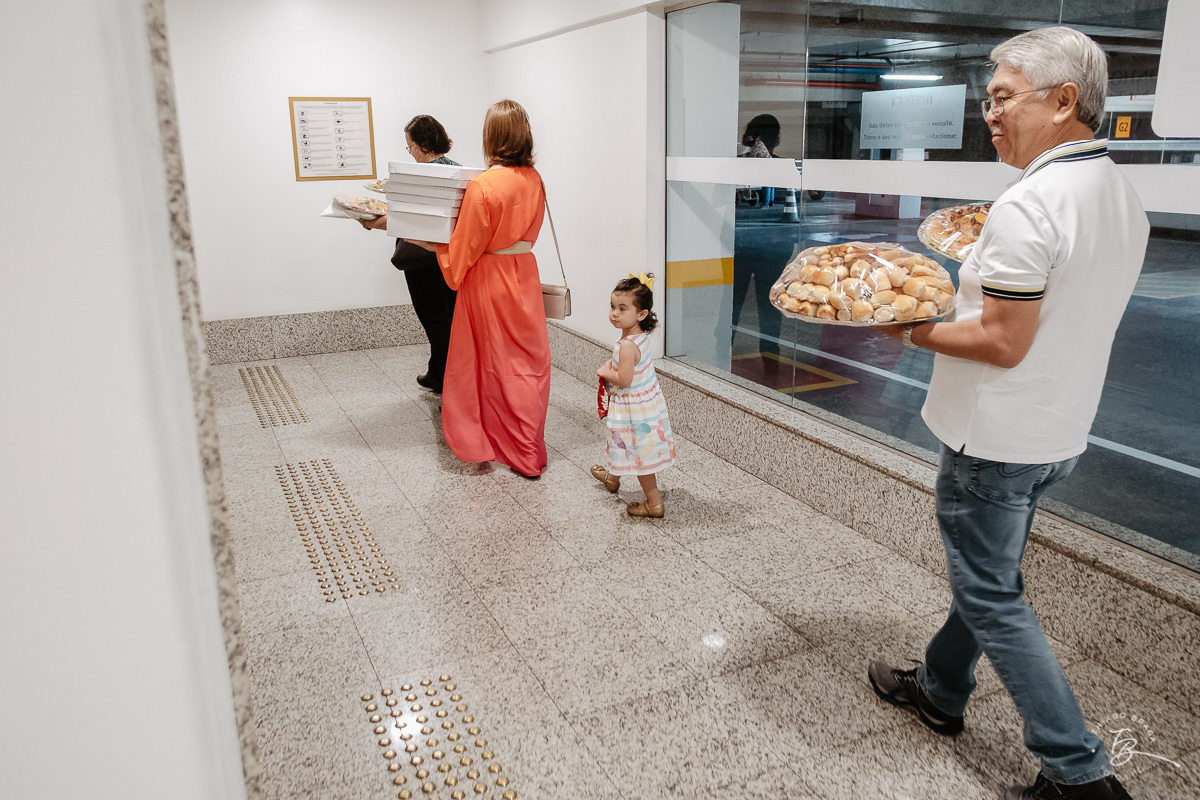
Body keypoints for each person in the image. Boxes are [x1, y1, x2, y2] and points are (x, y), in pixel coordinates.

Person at [866, 28, 1147, 800]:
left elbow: (1001, 340)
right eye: (985, 99)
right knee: (990, 574)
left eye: (1003, 97)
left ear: (1064, 101)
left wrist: (904, 329)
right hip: (1059, 429)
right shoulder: (1117, 192)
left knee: (991, 592)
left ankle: (1079, 772)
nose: (989, 114)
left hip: (992, 437)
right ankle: (941, 688)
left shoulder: (1030, 203)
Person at [413, 99, 551, 477]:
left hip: (490, 279)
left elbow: (462, 255)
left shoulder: (483, 186)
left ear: (491, 136)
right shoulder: (535, 179)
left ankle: (492, 439)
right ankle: (528, 446)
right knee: (527, 362)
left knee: (491, 363)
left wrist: (433, 245)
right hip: (524, 273)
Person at [360, 115, 459, 393]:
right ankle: (436, 373)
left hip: (423, 257)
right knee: (449, 316)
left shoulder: (421, 175)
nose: (411, 153)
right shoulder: (457, 169)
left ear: (424, 144)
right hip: (451, 256)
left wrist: (370, 221)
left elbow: (408, 219)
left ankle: (451, 381)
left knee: (434, 319)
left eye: (411, 146)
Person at [590, 273, 676, 518]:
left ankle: (654, 503)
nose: (614, 314)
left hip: (633, 410)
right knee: (623, 443)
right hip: (644, 404)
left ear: (641, 314)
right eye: (612, 307)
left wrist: (604, 370)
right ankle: (612, 478)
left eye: (622, 308)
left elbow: (624, 379)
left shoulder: (627, 345)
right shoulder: (637, 337)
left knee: (639, 453)